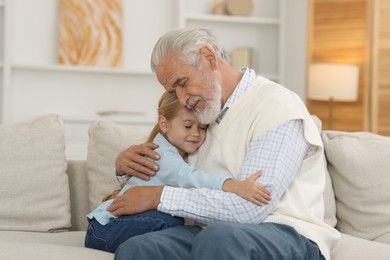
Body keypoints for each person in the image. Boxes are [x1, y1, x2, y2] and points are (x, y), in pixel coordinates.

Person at [108, 28, 340, 260]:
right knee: (138, 249)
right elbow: (172, 170)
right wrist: (125, 166)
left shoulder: (276, 105)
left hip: (287, 233)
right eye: (173, 90)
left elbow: (250, 208)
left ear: (209, 58)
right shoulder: (202, 113)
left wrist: (158, 197)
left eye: (183, 82)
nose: (182, 99)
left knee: (220, 238)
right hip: (211, 231)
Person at [84, 91, 271, 253]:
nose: (196, 133)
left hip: (111, 228)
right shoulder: (162, 155)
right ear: (164, 124)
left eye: (202, 127)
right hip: (104, 230)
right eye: (188, 126)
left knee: (170, 220)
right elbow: (189, 178)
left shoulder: (178, 151)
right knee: (169, 222)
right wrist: (233, 185)